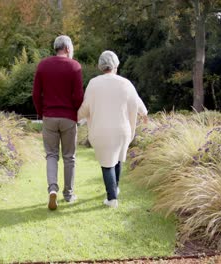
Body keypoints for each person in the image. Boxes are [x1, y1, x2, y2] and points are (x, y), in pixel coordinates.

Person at [78, 50, 148, 208]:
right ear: (116, 65)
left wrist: (76, 117)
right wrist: (144, 114)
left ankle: (112, 198)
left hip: (102, 131)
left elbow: (86, 107)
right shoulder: (126, 83)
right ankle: (115, 188)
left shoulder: (94, 83)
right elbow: (136, 101)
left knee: (107, 163)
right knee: (116, 159)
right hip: (122, 130)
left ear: (100, 66)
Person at [32, 35, 84, 210]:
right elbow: (78, 96)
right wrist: (76, 112)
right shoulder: (75, 66)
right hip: (68, 117)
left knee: (52, 155)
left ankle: (52, 188)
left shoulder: (42, 65)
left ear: (56, 48)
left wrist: (41, 112)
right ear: (68, 49)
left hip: (49, 116)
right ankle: (68, 194)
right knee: (69, 157)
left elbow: (36, 94)